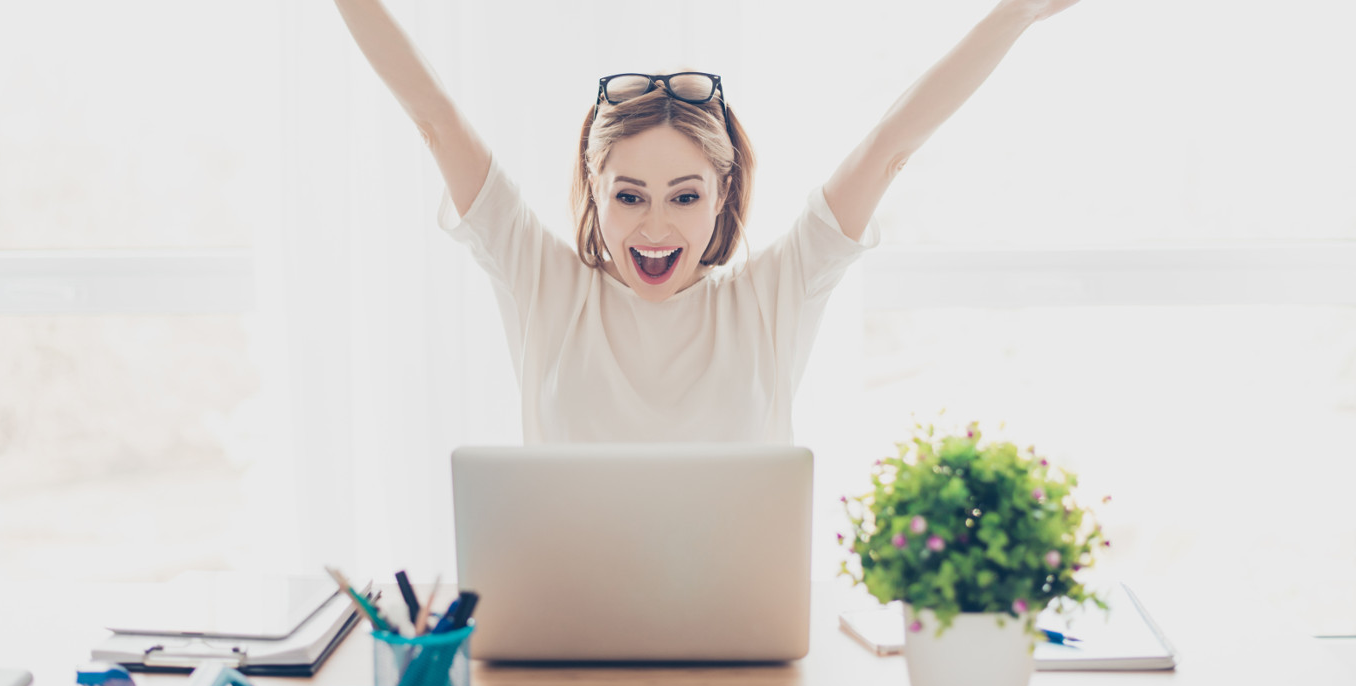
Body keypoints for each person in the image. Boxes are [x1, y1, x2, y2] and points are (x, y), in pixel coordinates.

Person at [333, 0, 1083, 444]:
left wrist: (1013, 14)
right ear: (593, 191)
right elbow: (434, 119)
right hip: (569, 630)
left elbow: (890, 147)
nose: (655, 227)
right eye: (629, 196)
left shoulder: (774, 292)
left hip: (738, 635)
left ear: (723, 195)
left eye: (684, 196)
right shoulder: (542, 284)